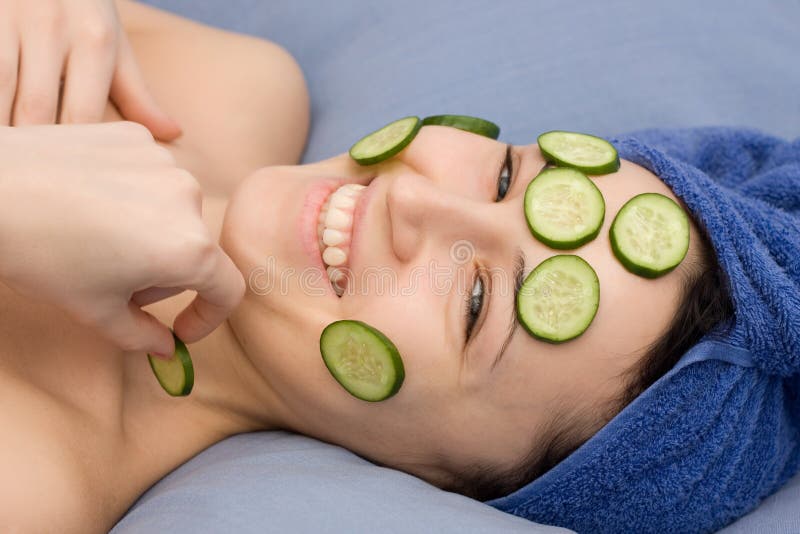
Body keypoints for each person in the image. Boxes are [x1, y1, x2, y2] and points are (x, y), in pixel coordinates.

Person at [1, 3, 798, 534]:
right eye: (503, 178)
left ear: (443, 480)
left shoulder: (31, 478)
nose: (417, 205)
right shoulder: (239, 84)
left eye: (477, 302)